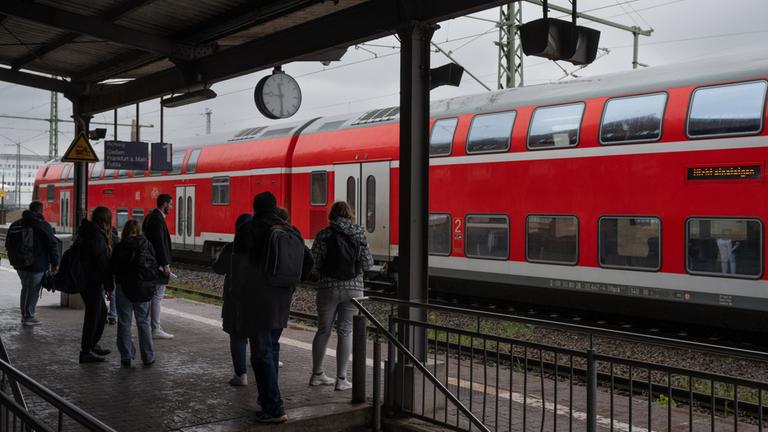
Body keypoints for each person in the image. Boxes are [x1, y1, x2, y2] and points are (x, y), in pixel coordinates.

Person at [232, 192, 313, 423]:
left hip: (257, 299)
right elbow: (309, 262)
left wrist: (238, 294)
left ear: (255, 207)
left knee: (261, 353)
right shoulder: (289, 229)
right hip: (282, 298)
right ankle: (267, 398)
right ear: (274, 207)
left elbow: (238, 266)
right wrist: (292, 284)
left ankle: (274, 408)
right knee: (272, 348)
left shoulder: (248, 229)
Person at [309, 201, 373, 390]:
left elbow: (315, 265)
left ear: (332, 216)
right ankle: (341, 379)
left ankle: (317, 374)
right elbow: (368, 264)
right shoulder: (358, 233)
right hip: (353, 288)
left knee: (323, 330)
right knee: (346, 331)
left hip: (327, 288)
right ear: (350, 215)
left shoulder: (323, 234)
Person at [111, 220, 158, 368]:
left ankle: (126, 356)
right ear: (139, 231)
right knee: (143, 322)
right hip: (143, 288)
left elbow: (113, 267)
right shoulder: (147, 245)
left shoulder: (120, 246)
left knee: (124, 322)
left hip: (123, 287)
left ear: (125, 231)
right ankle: (148, 357)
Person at [214, 213, 252, 386]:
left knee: (237, 336)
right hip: (256, 297)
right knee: (257, 334)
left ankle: (241, 374)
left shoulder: (231, 247)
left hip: (234, 296)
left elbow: (218, 268)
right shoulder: (261, 248)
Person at [6, 201, 59, 326]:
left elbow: (8, 244)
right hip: (36, 264)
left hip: (19, 264)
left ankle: (25, 314)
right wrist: (55, 262)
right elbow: (52, 244)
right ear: (40, 210)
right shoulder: (42, 225)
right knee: (34, 289)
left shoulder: (16, 224)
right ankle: (29, 316)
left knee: (25, 287)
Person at [78, 206, 115, 363]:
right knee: (93, 316)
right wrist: (109, 286)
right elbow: (102, 263)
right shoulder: (97, 236)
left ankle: (92, 345)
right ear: (105, 221)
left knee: (100, 312)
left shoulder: (89, 232)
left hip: (87, 280)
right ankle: (86, 351)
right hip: (91, 281)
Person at [143, 193, 174, 339]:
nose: (171, 207)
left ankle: (153, 326)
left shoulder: (151, 216)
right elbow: (159, 243)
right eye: (170, 204)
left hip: (153, 263)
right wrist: (165, 264)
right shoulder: (157, 219)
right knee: (157, 296)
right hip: (157, 264)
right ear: (164, 204)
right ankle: (155, 328)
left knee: (154, 295)